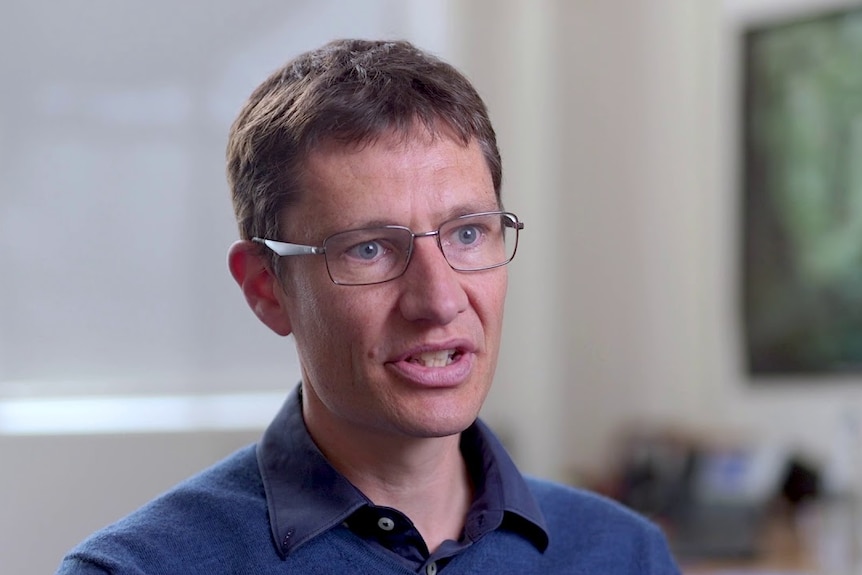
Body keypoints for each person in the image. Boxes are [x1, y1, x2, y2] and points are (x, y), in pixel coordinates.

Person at [57, 39, 681, 574]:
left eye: (467, 233)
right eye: (370, 249)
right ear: (265, 288)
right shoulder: (137, 569)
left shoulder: (624, 555)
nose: (438, 300)